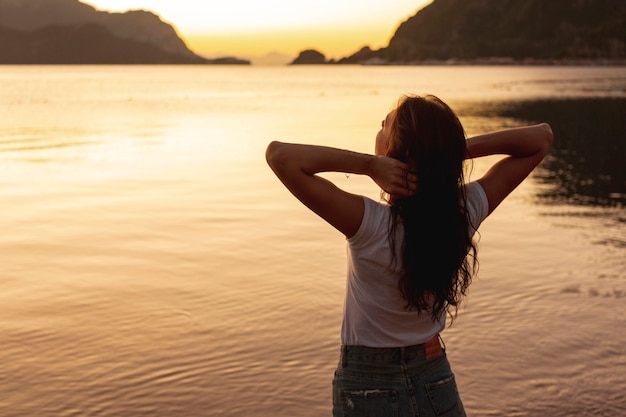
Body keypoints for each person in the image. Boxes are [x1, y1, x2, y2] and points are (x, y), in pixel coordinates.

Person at [266, 94, 553, 417]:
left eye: (384, 126)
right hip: (434, 377)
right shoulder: (463, 212)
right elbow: (541, 138)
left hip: (366, 383)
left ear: (393, 153)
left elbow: (280, 156)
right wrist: (447, 152)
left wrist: (367, 166)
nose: (379, 130)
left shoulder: (368, 223)